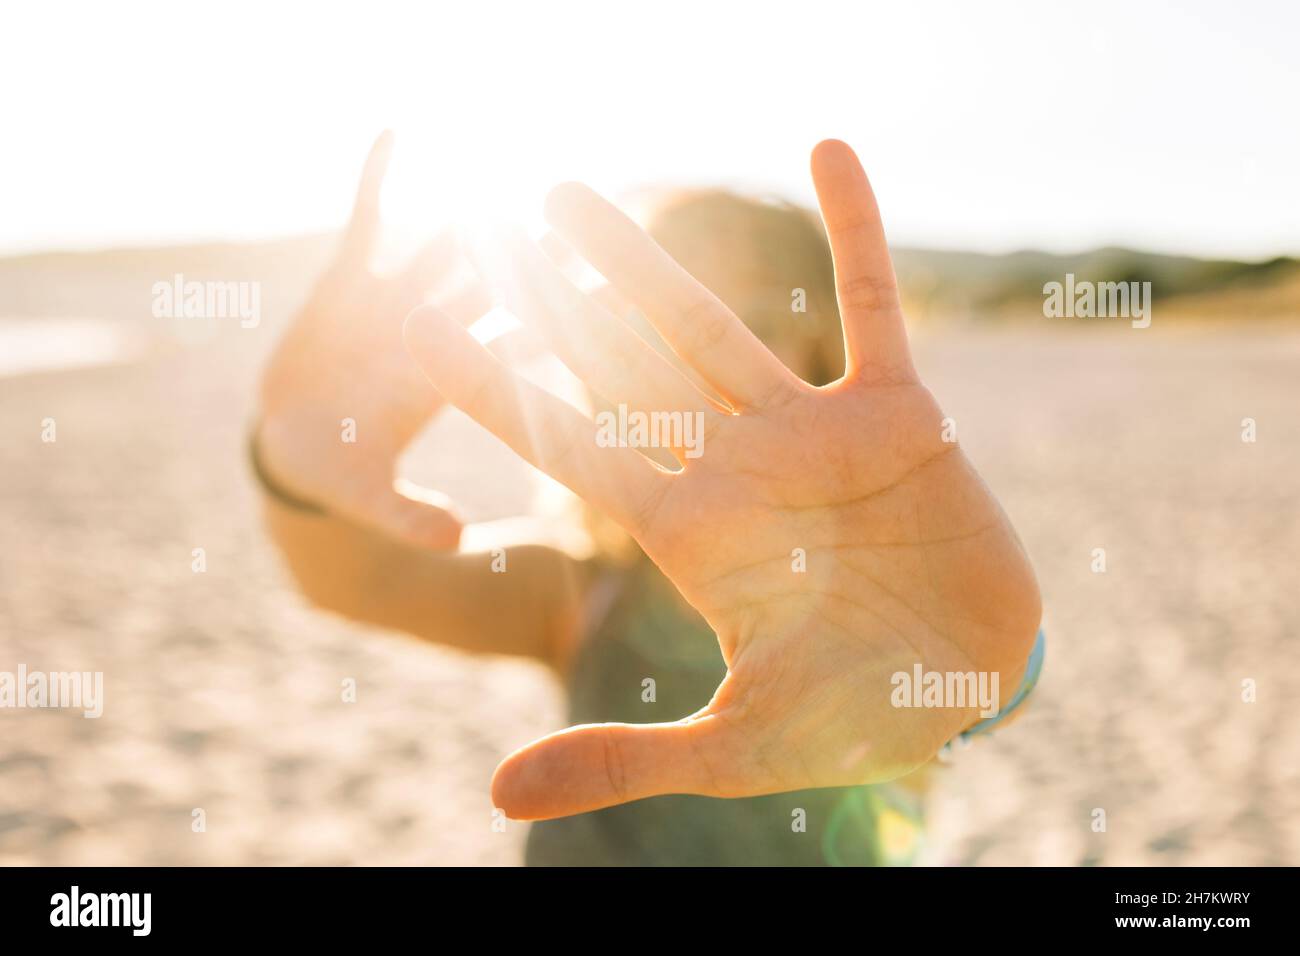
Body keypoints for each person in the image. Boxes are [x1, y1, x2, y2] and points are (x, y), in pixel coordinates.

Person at [254, 132, 1043, 865]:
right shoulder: (577, 587)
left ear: (825, 345)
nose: (694, 368)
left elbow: (969, 676)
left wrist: (990, 678)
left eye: (755, 320)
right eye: (647, 333)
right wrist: (292, 469)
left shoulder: (879, 605)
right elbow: (353, 580)